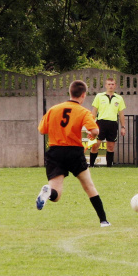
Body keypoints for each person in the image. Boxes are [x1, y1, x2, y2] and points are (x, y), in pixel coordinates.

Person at [37, 80, 111, 228]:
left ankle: (47, 193)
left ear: (70, 92)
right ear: (83, 95)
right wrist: (91, 133)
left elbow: (42, 130)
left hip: (55, 152)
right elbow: (96, 131)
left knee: (55, 195)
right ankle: (103, 220)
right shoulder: (83, 111)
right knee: (88, 186)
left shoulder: (53, 109)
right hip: (74, 152)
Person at [89, 77, 126, 168]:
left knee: (110, 147)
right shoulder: (99, 96)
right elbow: (94, 111)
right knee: (95, 145)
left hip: (113, 124)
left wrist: (123, 127)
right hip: (100, 123)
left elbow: (121, 114)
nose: (111, 86)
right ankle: (91, 165)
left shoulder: (119, 98)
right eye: (109, 84)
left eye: (112, 84)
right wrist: (91, 124)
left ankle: (109, 167)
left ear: (115, 86)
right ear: (105, 85)